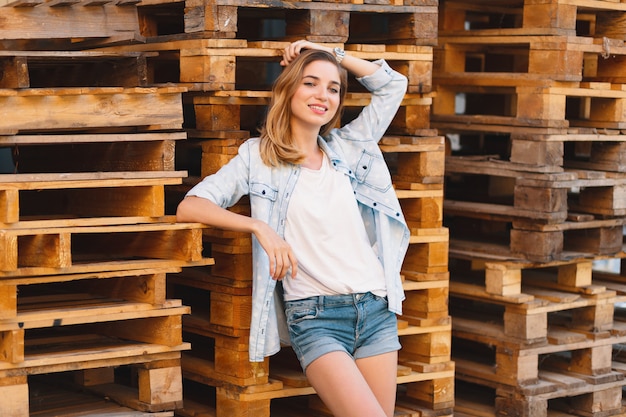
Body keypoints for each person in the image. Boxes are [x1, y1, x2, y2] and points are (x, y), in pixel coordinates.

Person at [176, 40, 410, 417]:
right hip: (316, 317)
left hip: (375, 308)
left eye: (333, 88)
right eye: (310, 83)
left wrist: (328, 52)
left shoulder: (349, 148)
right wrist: (259, 227)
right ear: (287, 90)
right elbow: (190, 206)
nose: (323, 95)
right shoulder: (257, 157)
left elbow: (392, 85)